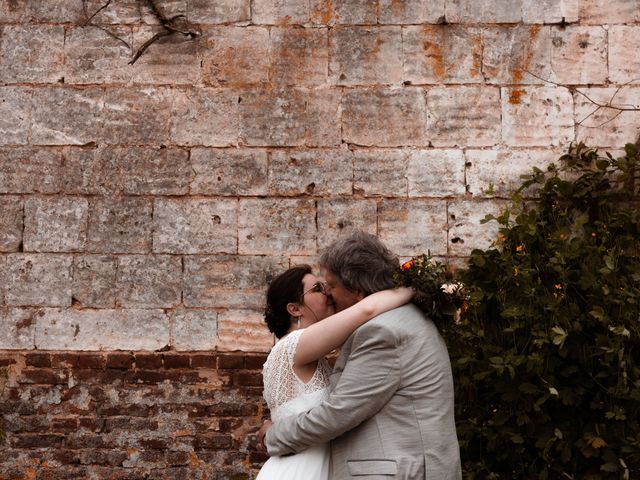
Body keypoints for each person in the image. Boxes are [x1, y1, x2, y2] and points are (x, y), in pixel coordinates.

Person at [260, 231, 462, 479]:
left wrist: (273, 436)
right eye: (319, 288)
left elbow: (340, 411)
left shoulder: (383, 331)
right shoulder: (398, 320)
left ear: (355, 288)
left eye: (330, 286)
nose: (328, 294)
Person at [256, 264, 413, 480]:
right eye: (317, 288)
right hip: (303, 471)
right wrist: (415, 290)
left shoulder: (293, 351)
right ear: (294, 309)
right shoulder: (294, 344)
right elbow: (366, 310)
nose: (327, 292)